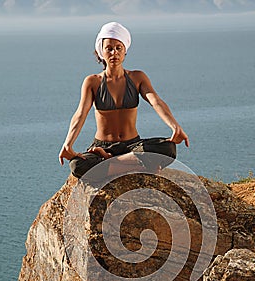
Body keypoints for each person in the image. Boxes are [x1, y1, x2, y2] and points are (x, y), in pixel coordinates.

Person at [59, 21, 189, 179]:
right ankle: (136, 166)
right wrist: (68, 144)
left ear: (125, 50)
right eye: (109, 48)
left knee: (169, 149)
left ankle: (110, 164)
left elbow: (156, 101)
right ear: (101, 52)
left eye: (118, 48)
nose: (114, 53)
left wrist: (175, 126)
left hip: (133, 146)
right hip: (102, 146)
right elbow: (80, 114)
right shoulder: (92, 82)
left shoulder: (137, 77)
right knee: (77, 165)